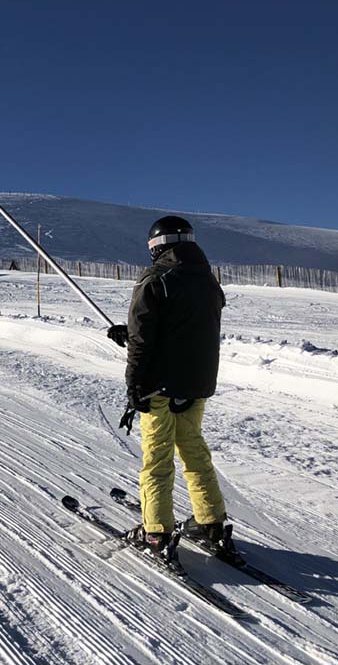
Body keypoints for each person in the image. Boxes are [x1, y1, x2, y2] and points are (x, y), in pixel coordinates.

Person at [106, 216, 227, 556]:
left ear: (158, 246)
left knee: (157, 457)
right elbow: (181, 329)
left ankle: (156, 531)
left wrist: (134, 384)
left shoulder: (155, 278)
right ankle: (210, 521)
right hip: (195, 384)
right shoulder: (206, 281)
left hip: (158, 385)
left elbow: (146, 341)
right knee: (193, 451)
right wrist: (128, 333)